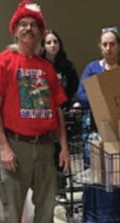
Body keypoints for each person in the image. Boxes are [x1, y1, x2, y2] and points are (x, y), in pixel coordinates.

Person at [0, 0, 69, 223]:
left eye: (34, 25)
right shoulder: (1, 63)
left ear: (41, 33)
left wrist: (63, 146)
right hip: (15, 145)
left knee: (46, 209)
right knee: (11, 210)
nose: (28, 29)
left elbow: (58, 111)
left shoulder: (47, 69)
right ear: (14, 29)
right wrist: (4, 147)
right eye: (23, 24)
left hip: (44, 146)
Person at [74, 26, 120, 166]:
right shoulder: (92, 68)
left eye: (112, 44)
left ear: (119, 46)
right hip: (95, 126)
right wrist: (102, 99)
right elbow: (80, 94)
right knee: (95, 167)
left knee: (118, 167)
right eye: (105, 44)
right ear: (100, 47)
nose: (108, 48)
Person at [41, 29, 79, 203]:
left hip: (64, 114)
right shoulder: (39, 65)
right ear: (43, 45)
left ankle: (61, 190)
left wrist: (74, 104)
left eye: (55, 41)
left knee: (61, 153)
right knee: (45, 153)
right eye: (48, 42)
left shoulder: (67, 66)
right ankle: (46, 190)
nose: (52, 45)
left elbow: (74, 89)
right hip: (44, 116)